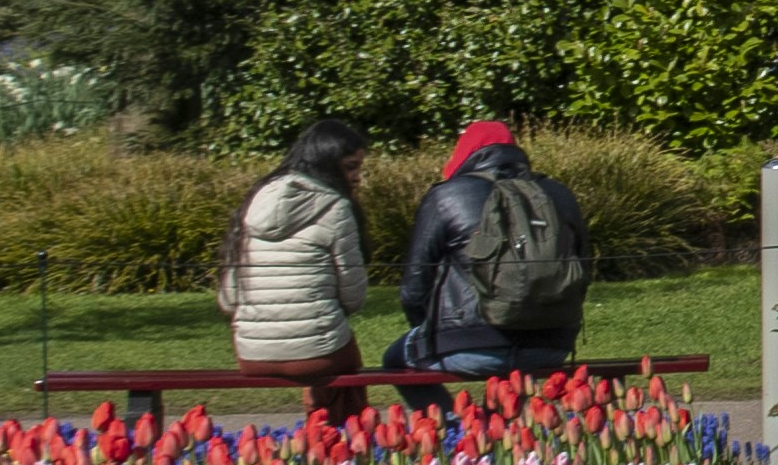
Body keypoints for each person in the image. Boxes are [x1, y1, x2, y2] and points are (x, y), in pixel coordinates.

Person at [389, 118, 594, 376]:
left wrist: (430, 330)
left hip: (465, 347)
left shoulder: (447, 195)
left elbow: (413, 288)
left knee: (393, 359)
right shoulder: (559, 194)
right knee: (505, 401)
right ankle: (497, 416)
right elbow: (583, 270)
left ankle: (449, 418)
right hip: (550, 346)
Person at [220, 114, 369, 372]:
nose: (357, 177)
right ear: (327, 164)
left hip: (251, 354)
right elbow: (353, 295)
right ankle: (345, 415)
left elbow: (228, 298)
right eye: (350, 166)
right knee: (345, 362)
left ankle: (318, 412)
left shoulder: (254, 201)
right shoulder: (336, 208)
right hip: (320, 352)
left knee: (327, 351)